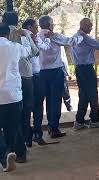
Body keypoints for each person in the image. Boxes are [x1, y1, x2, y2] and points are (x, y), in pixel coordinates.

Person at [37, 15, 83, 138]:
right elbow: (70, 42)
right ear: (49, 25)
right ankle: (54, 128)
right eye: (52, 23)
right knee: (56, 100)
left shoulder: (37, 36)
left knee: (48, 100)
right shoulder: (54, 36)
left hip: (42, 72)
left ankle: (51, 127)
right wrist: (80, 36)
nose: (54, 25)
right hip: (55, 71)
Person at [3, 12, 39, 162]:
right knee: (23, 113)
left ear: (3, 21)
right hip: (25, 78)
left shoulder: (5, 34)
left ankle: (8, 150)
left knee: (6, 119)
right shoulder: (23, 33)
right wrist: (26, 37)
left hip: (8, 83)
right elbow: (34, 52)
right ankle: (24, 143)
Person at [0, 23, 31, 172]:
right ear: (7, 34)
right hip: (14, 95)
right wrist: (24, 37)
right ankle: (12, 153)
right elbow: (28, 52)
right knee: (12, 127)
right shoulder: (14, 47)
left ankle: (5, 155)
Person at [22, 18, 50, 145]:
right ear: (29, 27)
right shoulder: (23, 38)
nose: (37, 29)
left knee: (36, 105)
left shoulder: (33, 38)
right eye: (35, 27)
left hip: (34, 75)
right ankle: (29, 136)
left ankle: (36, 134)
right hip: (29, 76)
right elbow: (40, 50)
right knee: (31, 107)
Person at [61, 46, 73, 112]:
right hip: (48, 68)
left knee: (64, 89)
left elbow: (63, 57)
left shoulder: (59, 41)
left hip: (61, 66)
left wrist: (68, 72)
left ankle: (68, 105)